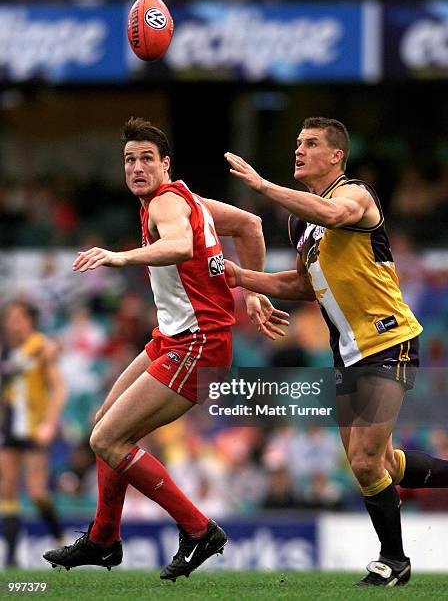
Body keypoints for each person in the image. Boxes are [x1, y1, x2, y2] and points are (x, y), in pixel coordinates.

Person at [43, 117, 288, 581]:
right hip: (174, 336)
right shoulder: (189, 199)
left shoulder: (166, 206)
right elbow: (251, 225)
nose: (137, 167)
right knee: (105, 429)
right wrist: (254, 292)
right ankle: (103, 539)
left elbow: (178, 244)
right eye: (130, 160)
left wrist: (121, 256)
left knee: (105, 440)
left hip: (197, 344)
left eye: (147, 159)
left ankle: (198, 531)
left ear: (165, 165)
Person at [224, 116, 448, 587]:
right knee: (381, 464)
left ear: (336, 156)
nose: (299, 151)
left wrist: (263, 185)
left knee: (366, 462)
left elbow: (333, 215)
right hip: (347, 352)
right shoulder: (298, 222)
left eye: (310, 144)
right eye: (297, 143)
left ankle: (394, 562)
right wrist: (243, 278)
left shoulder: (355, 195)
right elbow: (302, 283)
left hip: (388, 338)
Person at [0, 300, 66, 567]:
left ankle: (60, 538)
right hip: (10, 428)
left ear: (30, 320)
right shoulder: (6, 351)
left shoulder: (41, 347)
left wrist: (49, 423)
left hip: (35, 428)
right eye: (9, 319)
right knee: (8, 490)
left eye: (17, 318)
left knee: (37, 492)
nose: (12, 324)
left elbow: (59, 388)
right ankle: (12, 558)